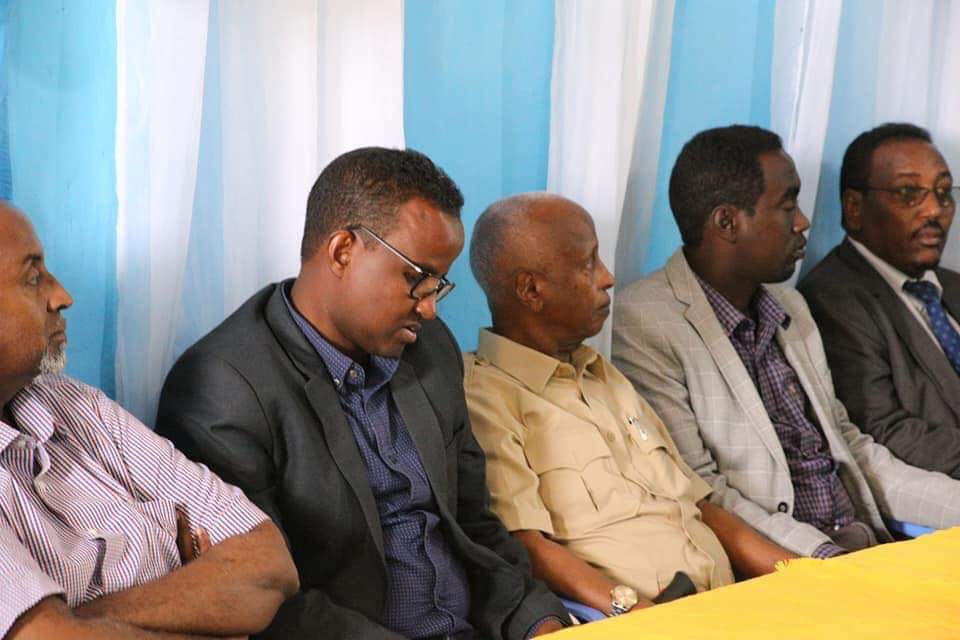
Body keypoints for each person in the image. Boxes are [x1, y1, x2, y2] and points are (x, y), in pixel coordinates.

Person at [156, 148, 569, 639]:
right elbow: (271, 601)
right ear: (342, 251)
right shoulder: (222, 389)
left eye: (438, 284)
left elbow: (474, 526)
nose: (430, 309)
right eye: (416, 278)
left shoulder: (429, 349)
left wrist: (541, 624)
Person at [612, 125, 960, 560]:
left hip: (864, 542)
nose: (803, 222)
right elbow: (701, 490)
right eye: (787, 205)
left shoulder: (789, 305)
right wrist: (823, 557)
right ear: (727, 222)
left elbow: (851, 446)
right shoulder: (647, 322)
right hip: (786, 561)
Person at [463, 193, 798, 616]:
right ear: (531, 289)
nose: (607, 278)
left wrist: (801, 575)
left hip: (728, 600)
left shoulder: (600, 372)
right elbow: (527, 545)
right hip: (642, 618)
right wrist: (636, 613)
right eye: (588, 264)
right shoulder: (485, 397)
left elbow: (698, 506)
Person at [0, 203, 299, 639]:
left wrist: (79, 618)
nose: (61, 296)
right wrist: (202, 605)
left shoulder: (77, 406)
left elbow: (268, 563)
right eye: (32, 277)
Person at [799, 123, 960, 478]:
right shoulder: (833, 300)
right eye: (908, 192)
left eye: (944, 192)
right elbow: (884, 431)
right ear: (854, 207)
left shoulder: (952, 284)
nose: (934, 210)